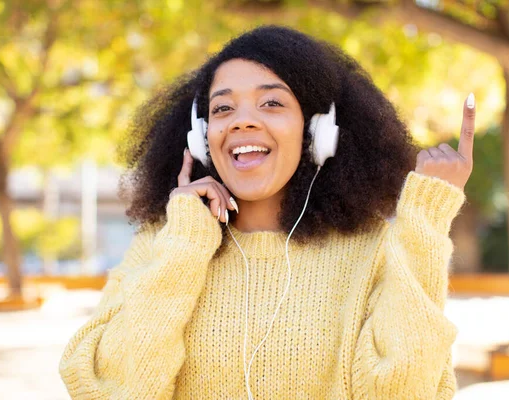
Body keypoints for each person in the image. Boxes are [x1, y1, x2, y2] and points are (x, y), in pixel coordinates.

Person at [59, 25, 476, 399]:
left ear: (318, 133)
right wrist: (184, 245)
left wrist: (426, 221)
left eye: (271, 103)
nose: (241, 121)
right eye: (222, 108)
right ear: (202, 139)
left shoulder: (373, 251)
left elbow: (403, 391)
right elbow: (111, 391)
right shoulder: (161, 245)